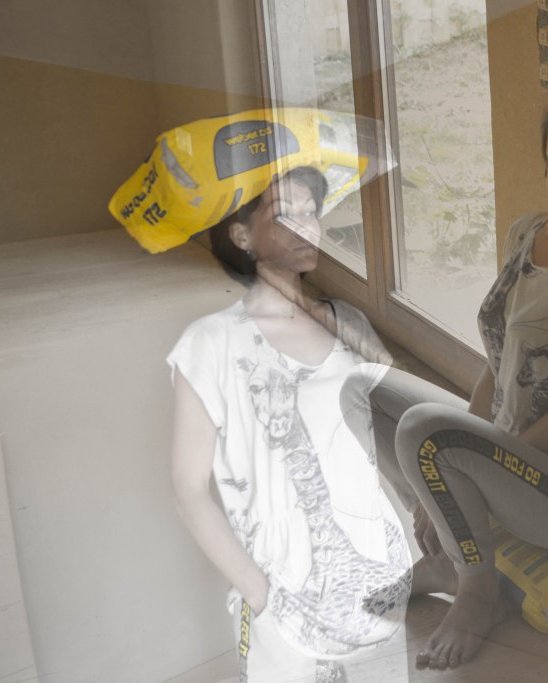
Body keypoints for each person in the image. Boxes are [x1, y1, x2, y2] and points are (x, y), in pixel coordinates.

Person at [340, 64, 548, 670]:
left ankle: (476, 591)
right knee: (362, 391)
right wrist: (443, 476)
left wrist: (472, 466)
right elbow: (497, 363)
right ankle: (449, 555)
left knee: (426, 435)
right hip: (515, 457)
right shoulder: (526, 234)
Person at [168, 166, 410, 682]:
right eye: (284, 215)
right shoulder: (211, 343)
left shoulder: (349, 324)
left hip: (377, 579)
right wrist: (261, 596)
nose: (305, 226)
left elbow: (388, 428)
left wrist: (425, 513)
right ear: (242, 235)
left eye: (311, 212)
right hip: (282, 593)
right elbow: (188, 490)